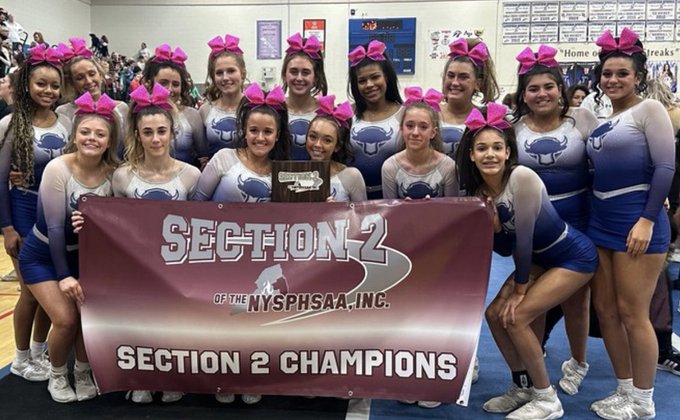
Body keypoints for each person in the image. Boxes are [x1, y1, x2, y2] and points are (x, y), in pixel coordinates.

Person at [457, 102, 597, 420]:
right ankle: (523, 386)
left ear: (509, 153)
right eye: (482, 148)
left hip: (572, 257)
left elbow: (523, 242)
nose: (490, 154)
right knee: (494, 315)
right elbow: (505, 249)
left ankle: (547, 398)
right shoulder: (481, 192)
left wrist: (520, 290)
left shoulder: (522, 177)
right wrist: (493, 229)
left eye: (497, 147)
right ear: (471, 155)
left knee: (517, 317)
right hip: (540, 262)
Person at [587, 28, 675, 419]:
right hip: (601, 221)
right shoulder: (606, 116)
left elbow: (665, 167)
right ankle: (624, 389)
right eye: (607, 74)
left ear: (637, 76)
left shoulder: (650, 110)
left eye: (622, 73)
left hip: (637, 220)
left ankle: (643, 400)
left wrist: (646, 219)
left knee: (631, 311)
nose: (613, 80)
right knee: (605, 310)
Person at [18, 91, 119, 403]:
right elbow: (54, 227)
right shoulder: (58, 168)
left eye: (100, 134)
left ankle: (85, 371)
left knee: (89, 320)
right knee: (66, 319)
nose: (91, 138)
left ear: (109, 140)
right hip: (43, 257)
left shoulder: (114, 173)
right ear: (74, 135)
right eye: (85, 132)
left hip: (84, 259)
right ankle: (59, 373)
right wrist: (64, 275)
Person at [193, 83, 289, 405]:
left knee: (254, 318)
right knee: (221, 316)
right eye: (254, 131)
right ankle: (223, 375)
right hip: (220, 255)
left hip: (260, 259)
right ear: (244, 131)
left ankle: (251, 373)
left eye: (267, 132)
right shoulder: (223, 159)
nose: (260, 138)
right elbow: (195, 206)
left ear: (278, 135)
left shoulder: (284, 172)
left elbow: (301, 217)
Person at [512, 44, 599, 395]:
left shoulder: (583, 119)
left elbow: (606, 165)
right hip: (534, 225)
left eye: (548, 86)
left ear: (560, 89)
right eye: (533, 88)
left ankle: (578, 362)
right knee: (534, 297)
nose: (541, 93)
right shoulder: (513, 128)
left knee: (577, 301)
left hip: (578, 219)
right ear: (524, 94)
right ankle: (535, 360)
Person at [113, 83, 200, 403]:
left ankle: (173, 374)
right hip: (136, 263)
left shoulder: (191, 176)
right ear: (136, 135)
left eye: (161, 131)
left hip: (176, 265)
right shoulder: (122, 176)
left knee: (173, 320)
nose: (155, 139)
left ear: (172, 133)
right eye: (147, 132)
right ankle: (141, 376)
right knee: (140, 318)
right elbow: (110, 221)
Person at [0, 45, 71, 382]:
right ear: (26, 85)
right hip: (24, 208)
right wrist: (7, 227)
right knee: (31, 290)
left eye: (54, 85)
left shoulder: (67, 123)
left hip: (55, 213)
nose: (48, 91)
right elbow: (0, 180)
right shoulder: (12, 124)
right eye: (41, 84)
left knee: (52, 287)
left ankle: (39, 352)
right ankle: (20, 357)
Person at [347, 40, 403, 199]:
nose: (369, 85)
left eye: (375, 77)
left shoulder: (405, 115)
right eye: (362, 80)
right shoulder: (345, 114)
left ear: (386, 77)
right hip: (352, 201)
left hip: (395, 201)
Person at [382, 86, 457, 200]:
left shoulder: (448, 167)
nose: (415, 132)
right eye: (410, 126)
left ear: (433, 132)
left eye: (423, 127)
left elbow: (454, 210)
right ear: (402, 129)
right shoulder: (389, 167)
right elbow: (390, 211)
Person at [56, 38, 128, 157]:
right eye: (80, 78)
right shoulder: (64, 112)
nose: (88, 81)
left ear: (100, 74)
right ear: (72, 83)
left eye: (92, 74)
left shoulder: (121, 109)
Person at [143, 44, 207, 165]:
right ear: (150, 84)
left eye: (176, 84)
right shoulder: (139, 114)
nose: (170, 89)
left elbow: (203, 156)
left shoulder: (192, 116)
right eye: (163, 83)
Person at [439, 37, 499, 158]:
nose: (455, 82)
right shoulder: (429, 114)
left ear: (478, 83)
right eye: (450, 76)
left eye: (463, 77)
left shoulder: (486, 118)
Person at [305, 95, 366, 202]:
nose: (318, 144)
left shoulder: (352, 176)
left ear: (337, 146)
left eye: (327, 140)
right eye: (313, 137)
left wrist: (336, 212)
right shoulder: (294, 173)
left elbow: (363, 215)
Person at [200, 34, 246, 163]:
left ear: (242, 73)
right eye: (219, 73)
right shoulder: (205, 111)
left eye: (231, 71)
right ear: (213, 77)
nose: (225, 77)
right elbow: (201, 152)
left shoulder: (254, 107)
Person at [281, 33, 328, 159]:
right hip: (279, 176)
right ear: (285, 74)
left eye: (306, 72)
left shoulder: (327, 113)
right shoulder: (275, 110)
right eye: (293, 71)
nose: (299, 78)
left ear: (316, 77)